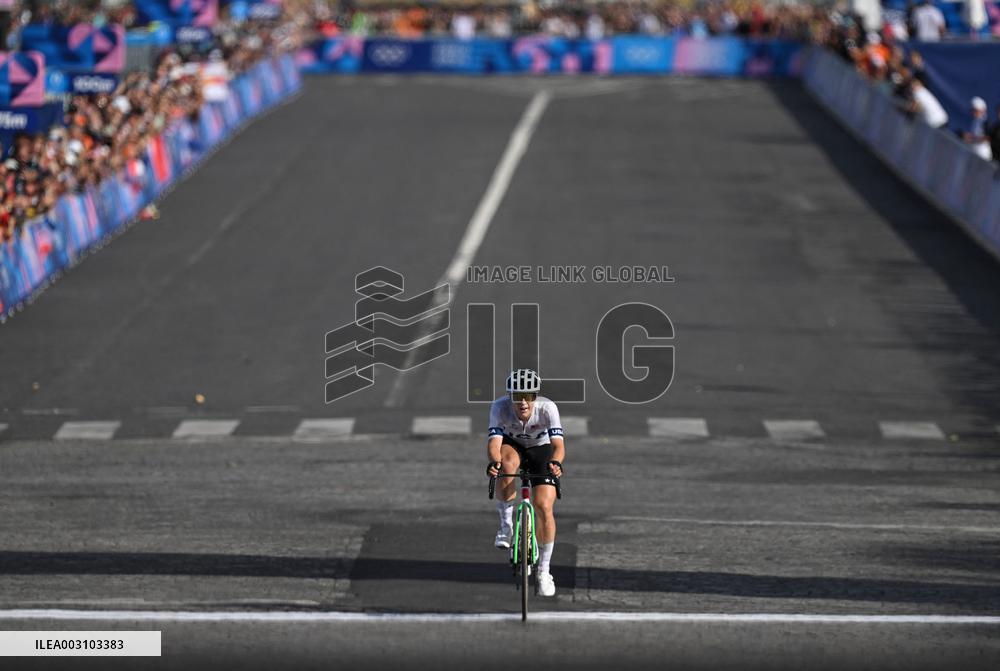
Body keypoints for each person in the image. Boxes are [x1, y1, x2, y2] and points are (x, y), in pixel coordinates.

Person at [486, 369, 565, 597]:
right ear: (509, 396)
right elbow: (494, 443)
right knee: (507, 464)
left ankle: (544, 570)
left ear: (535, 397)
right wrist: (495, 462)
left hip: (541, 448)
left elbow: (558, 446)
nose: (523, 402)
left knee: (543, 506)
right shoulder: (499, 407)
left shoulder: (547, 408)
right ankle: (506, 526)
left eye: (528, 396)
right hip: (512, 445)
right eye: (517, 396)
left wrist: (556, 463)